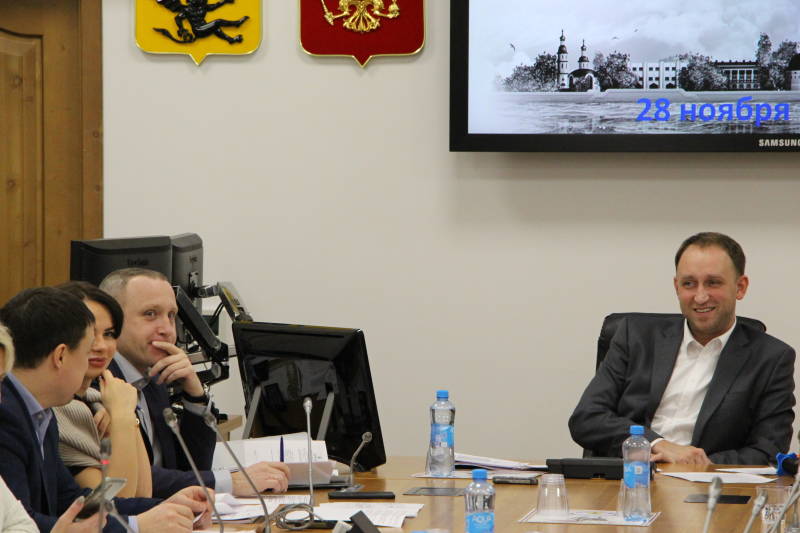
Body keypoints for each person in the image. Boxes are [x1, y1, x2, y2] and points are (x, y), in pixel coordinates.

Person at [569, 232, 795, 465]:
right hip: (630, 478)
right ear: (676, 287)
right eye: (689, 284)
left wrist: (696, 464)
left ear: (740, 287)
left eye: (713, 283)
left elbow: (768, 451)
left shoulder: (771, 358)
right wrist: (656, 444)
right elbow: (587, 418)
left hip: (705, 482)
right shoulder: (635, 337)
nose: (700, 297)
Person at [0, 287, 214, 533]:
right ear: (60, 356)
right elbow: (21, 525)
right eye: (86, 352)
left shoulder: (40, 412)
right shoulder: (7, 415)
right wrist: (136, 526)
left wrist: (164, 507)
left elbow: (69, 501)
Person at [99, 268, 289, 498]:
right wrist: (229, 481)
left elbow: (190, 466)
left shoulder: (153, 377)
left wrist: (194, 393)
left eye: (171, 315)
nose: (167, 330)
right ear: (110, 322)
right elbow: (131, 479)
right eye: (150, 314)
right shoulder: (96, 385)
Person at [53, 281, 152, 498]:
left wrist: (127, 418)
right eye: (89, 334)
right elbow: (116, 501)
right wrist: (122, 416)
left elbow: (143, 492)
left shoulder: (97, 399)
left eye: (109, 334)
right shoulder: (58, 409)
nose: (101, 346)